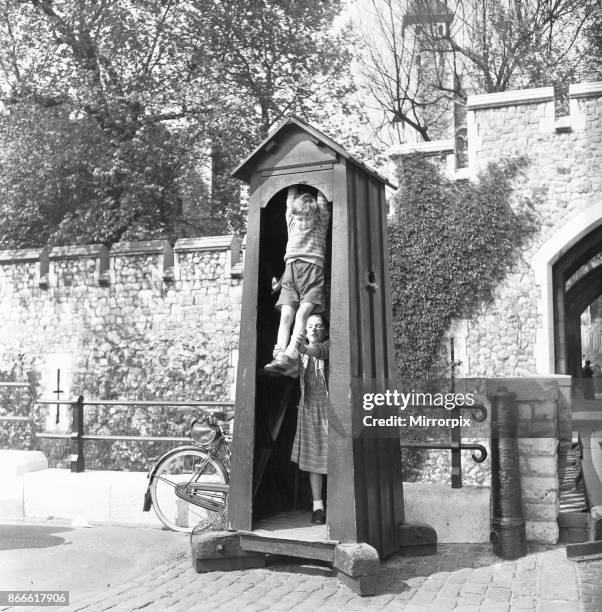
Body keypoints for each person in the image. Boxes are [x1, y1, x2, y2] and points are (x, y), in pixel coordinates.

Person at [265, 186, 330, 377]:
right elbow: (290, 198)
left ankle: (292, 354)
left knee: (302, 315)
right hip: (292, 272)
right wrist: (293, 185)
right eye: (300, 218)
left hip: (313, 272)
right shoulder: (292, 221)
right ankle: (279, 356)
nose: (303, 222)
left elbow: (323, 197)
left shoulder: (319, 223)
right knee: (285, 316)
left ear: (315, 215)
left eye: (307, 218)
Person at [291, 313, 329, 524]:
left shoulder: (329, 346)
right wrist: (280, 357)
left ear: (325, 330)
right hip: (308, 409)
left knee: (335, 458)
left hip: (331, 409)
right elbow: (289, 369)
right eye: (310, 326)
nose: (313, 330)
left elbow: (319, 352)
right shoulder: (301, 354)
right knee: (314, 460)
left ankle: (340, 505)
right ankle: (318, 507)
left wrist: (301, 348)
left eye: (318, 326)